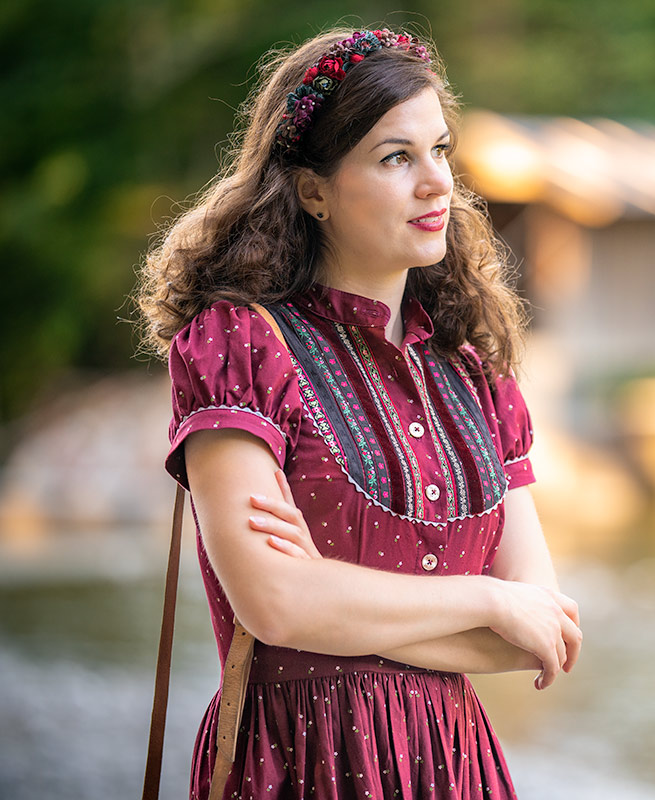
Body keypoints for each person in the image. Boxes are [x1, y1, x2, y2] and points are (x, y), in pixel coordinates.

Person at [135, 25, 582, 800]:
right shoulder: (241, 345)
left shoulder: (474, 373)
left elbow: (541, 634)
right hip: (302, 761)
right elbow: (275, 603)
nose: (438, 182)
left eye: (440, 150)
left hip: (454, 767)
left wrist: (334, 602)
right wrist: (485, 599)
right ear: (312, 189)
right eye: (395, 157)